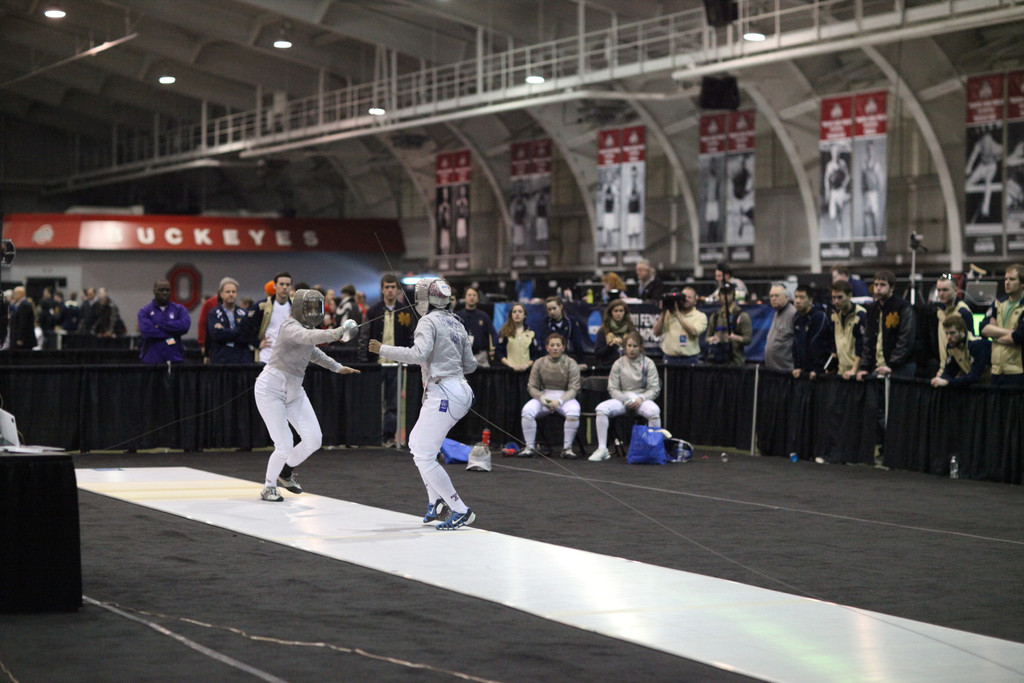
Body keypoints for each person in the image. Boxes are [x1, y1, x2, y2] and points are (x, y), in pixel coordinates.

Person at [368, 277, 477, 530]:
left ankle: (460, 509)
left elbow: (417, 355)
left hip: (444, 392)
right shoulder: (457, 322)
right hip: (460, 389)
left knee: (423, 453)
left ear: (426, 299)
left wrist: (382, 349)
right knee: (418, 444)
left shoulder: (427, 321)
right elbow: (470, 365)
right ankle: (435, 501)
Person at [256, 289, 360, 502]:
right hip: (270, 389)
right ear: (298, 308)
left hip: (294, 390)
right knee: (284, 444)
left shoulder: (308, 330)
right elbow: (307, 337)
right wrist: (335, 332)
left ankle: (286, 471)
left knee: (314, 439)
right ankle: (268, 486)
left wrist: (337, 367)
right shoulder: (290, 327)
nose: (313, 312)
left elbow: (312, 351)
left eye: (316, 307)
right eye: (309, 307)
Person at [358, 274, 416, 447]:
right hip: (375, 364)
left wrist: (411, 359)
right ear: (382, 289)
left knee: (393, 403)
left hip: (396, 364)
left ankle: (388, 436)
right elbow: (364, 336)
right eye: (387, 287)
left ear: (397, 289)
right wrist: (363, 362)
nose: (390, 290)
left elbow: (412, 337)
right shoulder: (373, 311)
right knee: (372, 401)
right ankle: (370, 435)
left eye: (393, 287)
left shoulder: (405, 311)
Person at [588, 332, 662, 462]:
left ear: (640, 347)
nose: (632, 349)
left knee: (654, 412)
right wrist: (625, 400)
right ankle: (602, 449)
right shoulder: (618, 363)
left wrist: (641, 399)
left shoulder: (648, 363)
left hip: (641, 398)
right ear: (625, 346)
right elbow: (612, 388)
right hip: (623, 398)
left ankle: (652, 449)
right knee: (601, 409)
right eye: (629, 346)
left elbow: (654, 388)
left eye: (635, 346)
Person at [519, 333, 581, 459]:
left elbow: (574, 388)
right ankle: (529, 447)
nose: (555, 348)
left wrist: (559, 401)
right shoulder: (539, 363)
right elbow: (532, 386)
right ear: (547, 348)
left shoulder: (571, 363)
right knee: (527, 410)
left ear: (563, 347)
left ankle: (567, 448)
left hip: (565, 398)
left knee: (574, 411)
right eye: (552, 345)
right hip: (544, 397)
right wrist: (541, 398)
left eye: (558, 345)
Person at [857, 270, 917, 380]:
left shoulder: (903, 307)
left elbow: (906, 339)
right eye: (876, 285)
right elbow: (867, 340)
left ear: (892, 287)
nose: (878, 288)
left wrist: (891, 365)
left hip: (900, 367)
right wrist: (864, 367)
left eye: (882, 285)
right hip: (877, 367)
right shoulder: (871, 309)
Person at [980, 264, 1024, 387]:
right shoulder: (998, 304)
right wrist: (1009, 332)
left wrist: (994, 335)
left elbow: (1018, 337)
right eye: (1005, 279)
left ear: (1022, 284)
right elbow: (983, 328)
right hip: (996, 371)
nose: (1007, 282)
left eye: (1012, 279)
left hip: (1017, 372)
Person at [242, 272, 293, 364]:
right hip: (266, 358)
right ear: (274, 286)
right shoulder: (262, 306)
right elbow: (244, 326)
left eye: (287, 285)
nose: (284, 287)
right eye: (281, 284)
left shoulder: (296, 306)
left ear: (290, 287)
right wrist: (257, 343)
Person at [138, 278, 191, 364]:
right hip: (151, 360)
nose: (165, 293)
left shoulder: (179, 309)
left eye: (167, 290)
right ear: (154, 291)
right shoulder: (145, 311)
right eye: (161, 290)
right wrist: (172, 333)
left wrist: (159, 325)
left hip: (175, 358)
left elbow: (184, 327)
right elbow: (146, 331)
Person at [931, 315, 990, 387]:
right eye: (946, 333)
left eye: (952, 333)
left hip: (991, 387)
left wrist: (948, 382)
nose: (948, 337)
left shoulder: (976, 345)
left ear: (962, 331)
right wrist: (939, 379)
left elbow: (975, 376)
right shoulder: (951, 347)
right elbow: (949, 371)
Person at [933, 274, 975, 376]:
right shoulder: (940, 311)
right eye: (939, 290)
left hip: (961, 372)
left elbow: (969, 345)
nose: (941, 294)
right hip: (944, 370)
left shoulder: (963, 312)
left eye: (945, 290)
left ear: (956, 290)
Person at [653, 287, 707, 366]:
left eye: (689, 297)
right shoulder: (669, 314)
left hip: (690, 359)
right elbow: (656, 332)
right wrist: (663, 312)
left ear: (695, 301)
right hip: (670, 358)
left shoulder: (700, 316)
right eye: (684, 297)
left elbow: (693, 332)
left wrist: (677, 314)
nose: (686, 299)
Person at [207, 277, 252, 364]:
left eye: (233, 292)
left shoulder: (244, 313)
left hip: (242, 359)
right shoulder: (214, 313)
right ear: (221, 294)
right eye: (228, 292)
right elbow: (216, 335)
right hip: (221, 359)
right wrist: (238, 331)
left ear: (237, 294)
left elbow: (247, 335)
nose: (231, 294)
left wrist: (224, 331)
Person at [827, 280, 866, 379]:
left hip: (857, 374)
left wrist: (854, 370)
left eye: (840, 297)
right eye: (834, 298)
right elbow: (834, 344)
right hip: (841, 372)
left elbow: (861, 346)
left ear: (850, 296)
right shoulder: (834, 316)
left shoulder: (861, 315)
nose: (836, 301)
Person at [706, 283, 751, 366]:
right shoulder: (715, 316)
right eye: (723, 294)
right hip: (717, 361)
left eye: (728, 293)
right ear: (720, 296)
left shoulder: (742, 316)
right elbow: (707, 338)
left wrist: (736, 338)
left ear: (733, 295)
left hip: (735, 362)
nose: (725, 296)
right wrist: (712, 339)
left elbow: (748, 339)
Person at [791, 284, 830, 379]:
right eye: (796, 297)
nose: (797, 301)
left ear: (810, 301)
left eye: (802, 297)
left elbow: (819, 344)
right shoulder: (796, 317)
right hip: (803, 373)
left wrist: (818, 369)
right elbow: (796, 344)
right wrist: (798, 367)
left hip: (819, 374)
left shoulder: (819, 317)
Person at [455, 286, 494, 366]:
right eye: (469, 295)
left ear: (477, 299)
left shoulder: (484, 316)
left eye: (474, 295)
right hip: (461, 356)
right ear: (465, 298)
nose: (472, 297)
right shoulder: (457, 316)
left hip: (480, 356)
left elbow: (492, 333)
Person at [542, 296, 587, 366]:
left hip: (567, 358)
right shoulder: (546, 323)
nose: (552, 312)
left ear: (560, 307)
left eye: (554, 308)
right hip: (550, 360)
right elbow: (544, 343)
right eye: (549, 309)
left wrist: (581, 361)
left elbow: (577, 343)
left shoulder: (571, 321)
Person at [495, 303, 540, 371]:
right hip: (508, 371)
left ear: (524, 315)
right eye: (514, 312)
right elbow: (498, 353)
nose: (517, 314)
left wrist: (527, 365)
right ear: (511, 315)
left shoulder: (531, 333)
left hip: (527, 371)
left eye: (520, 311)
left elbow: (535, 354)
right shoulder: (504, 332)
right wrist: (510, 365)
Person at [763, 283, 795, 373]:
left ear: (786, 297)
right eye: (771, 296)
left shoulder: (793, 314)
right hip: (773, 370)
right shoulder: (776, 313)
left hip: (786, 371)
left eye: (776, 295)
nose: (773, 298)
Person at [593, 299, 635, 368]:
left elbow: (639, 350)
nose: (618, 313)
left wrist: (625, 344)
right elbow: (598, 354)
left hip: (629, 367)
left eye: (621, 311)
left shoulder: (631, 330)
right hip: (608, 367)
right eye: (616, 311)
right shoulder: (603, 330)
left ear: (625, 313)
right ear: (611, 313)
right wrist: (610, 345)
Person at [824, 145, 851, 237]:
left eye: (836, 153)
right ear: (832, 154)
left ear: (838, 154)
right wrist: (827, 191)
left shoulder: (842, 163)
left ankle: (840, 235)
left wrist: (844, 184)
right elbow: (827, 179)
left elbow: (848, 176)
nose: (834, 155)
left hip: (840, 191)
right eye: (833, 153)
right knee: (833, 215)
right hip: (833, 192)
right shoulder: (829, 165)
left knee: (839, 216)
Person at [861, 141, 882, 237]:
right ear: (867, 151)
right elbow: (862, 179)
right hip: (866, 193)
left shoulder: (876, 165)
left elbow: (879, 180)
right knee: (865, 216)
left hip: (873, 193)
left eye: (871, 149)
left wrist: (877, 192)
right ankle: (864, 239)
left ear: (873, 151)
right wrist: (862, 192)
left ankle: (876, 237)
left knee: (875, 216)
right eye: (868, 150)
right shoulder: (864, 164)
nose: (870, 151)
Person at [625, 165, 643, 249]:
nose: (633, 175)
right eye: (632, 174)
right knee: (630, 231)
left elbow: (639, 195)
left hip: (637, 210)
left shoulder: (639, 184)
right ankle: (630, 247)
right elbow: (628, 196)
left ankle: (637, 247)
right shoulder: (628, 184)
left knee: (637, 231)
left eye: (635, 174)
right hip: (630, 211)